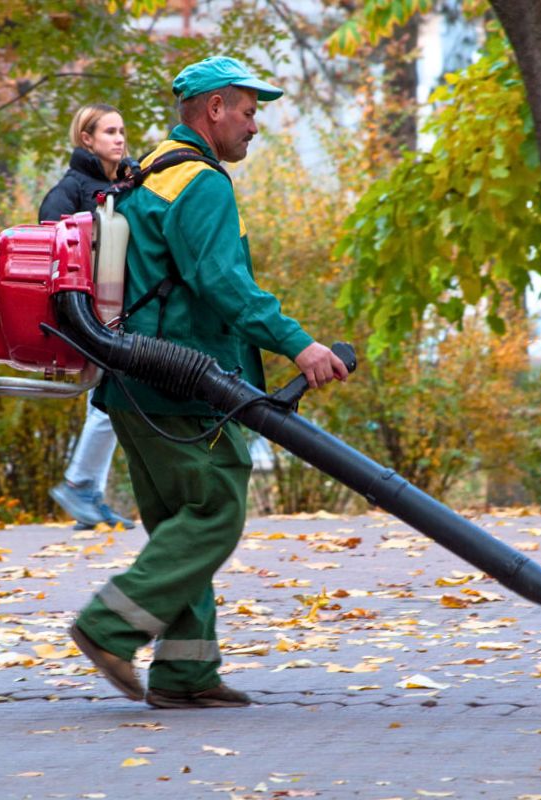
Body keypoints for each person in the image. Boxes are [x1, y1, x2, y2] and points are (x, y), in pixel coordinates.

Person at [69, 57, 349, 709]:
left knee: (179, 529)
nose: (255, 127)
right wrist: (298, 345)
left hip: (134, 385)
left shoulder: (152, 170)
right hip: (185, 388)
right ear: (214, 109)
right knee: (216, 514)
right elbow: (224, 285)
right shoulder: (200, 184)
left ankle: (185, 673)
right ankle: (108, 626)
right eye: (249, 112)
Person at [39, 104, 136, 531]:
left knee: (105, 398)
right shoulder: (71, 188)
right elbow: (49, 243)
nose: (119, 139)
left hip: (123, 307)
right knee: (110, 397)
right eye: (109, 132)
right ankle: (79, 485)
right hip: (91, 312)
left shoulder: (130, 182)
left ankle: (88, 498)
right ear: (88, 139)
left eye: (122, 132)